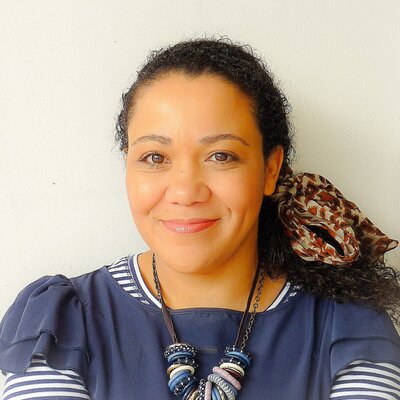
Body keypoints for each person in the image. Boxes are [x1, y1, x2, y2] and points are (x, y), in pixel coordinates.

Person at [1, 37, 400, 400]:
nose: (185, 191)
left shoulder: (348, 328)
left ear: (270, 169)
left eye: (220, 156)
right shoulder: (62, 323)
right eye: (154, 157)